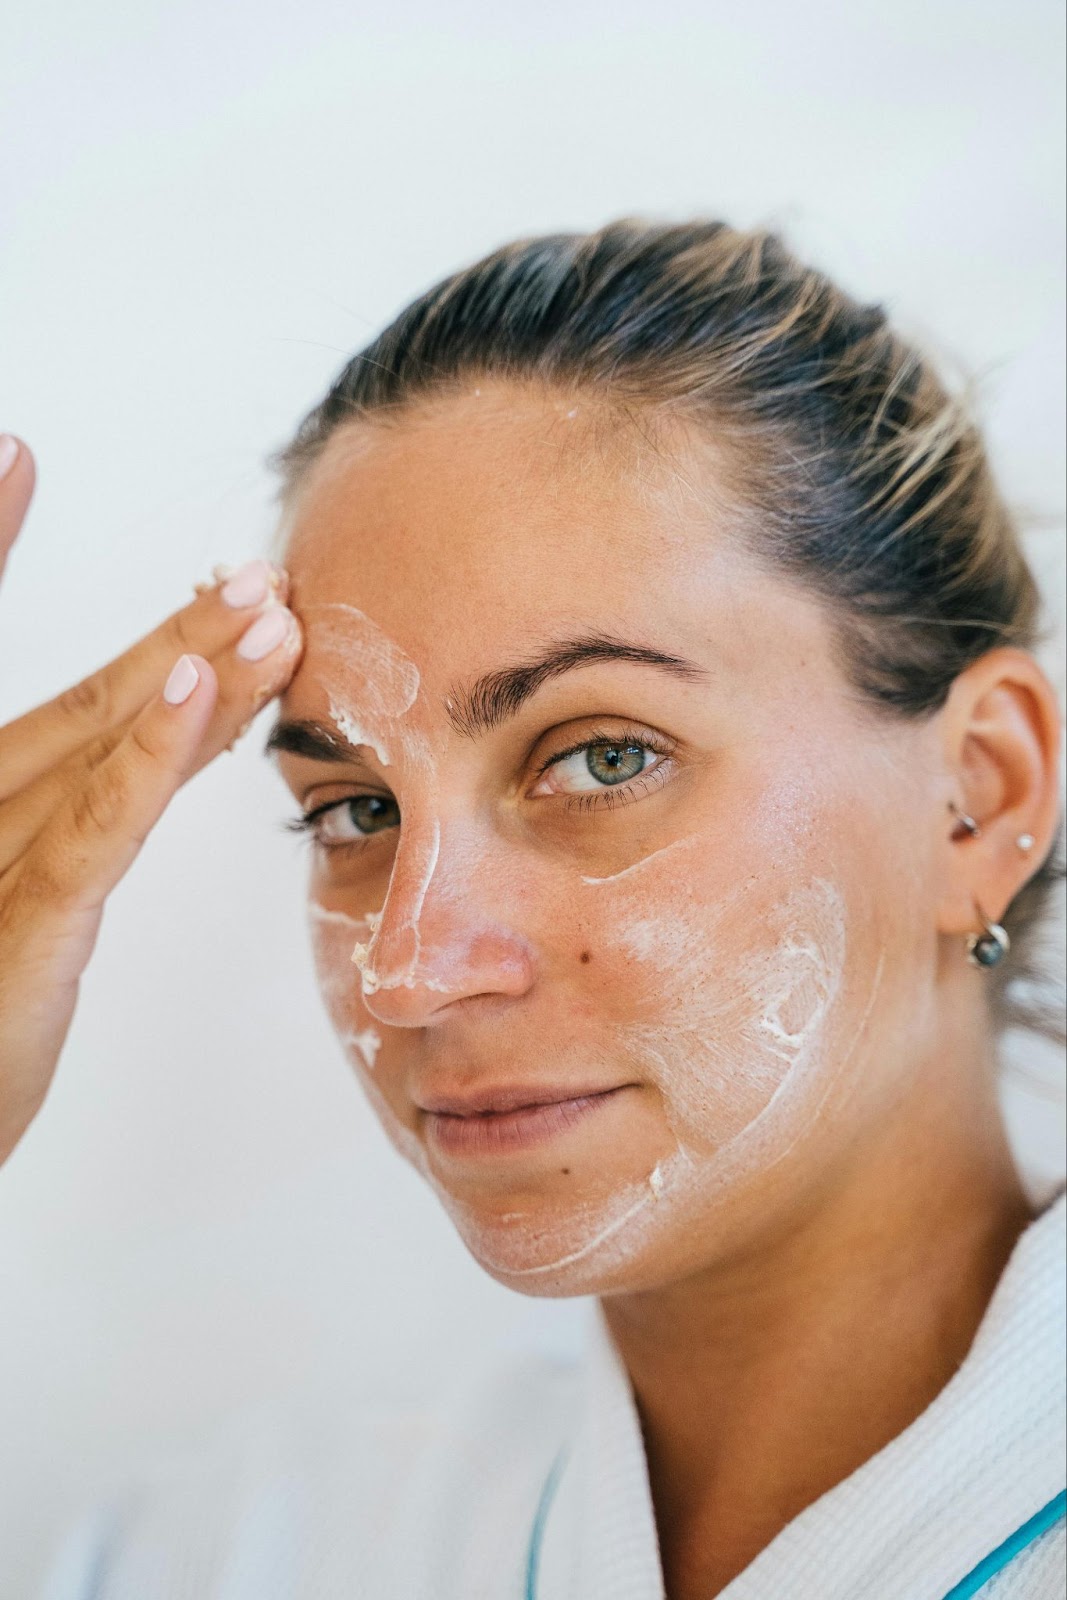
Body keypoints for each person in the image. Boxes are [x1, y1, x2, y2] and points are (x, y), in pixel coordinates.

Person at [2, 219, 1063, 1600]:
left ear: (975, 801)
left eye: (602, 757)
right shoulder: (225, 1561)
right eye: (357, 812)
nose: (411, 970)